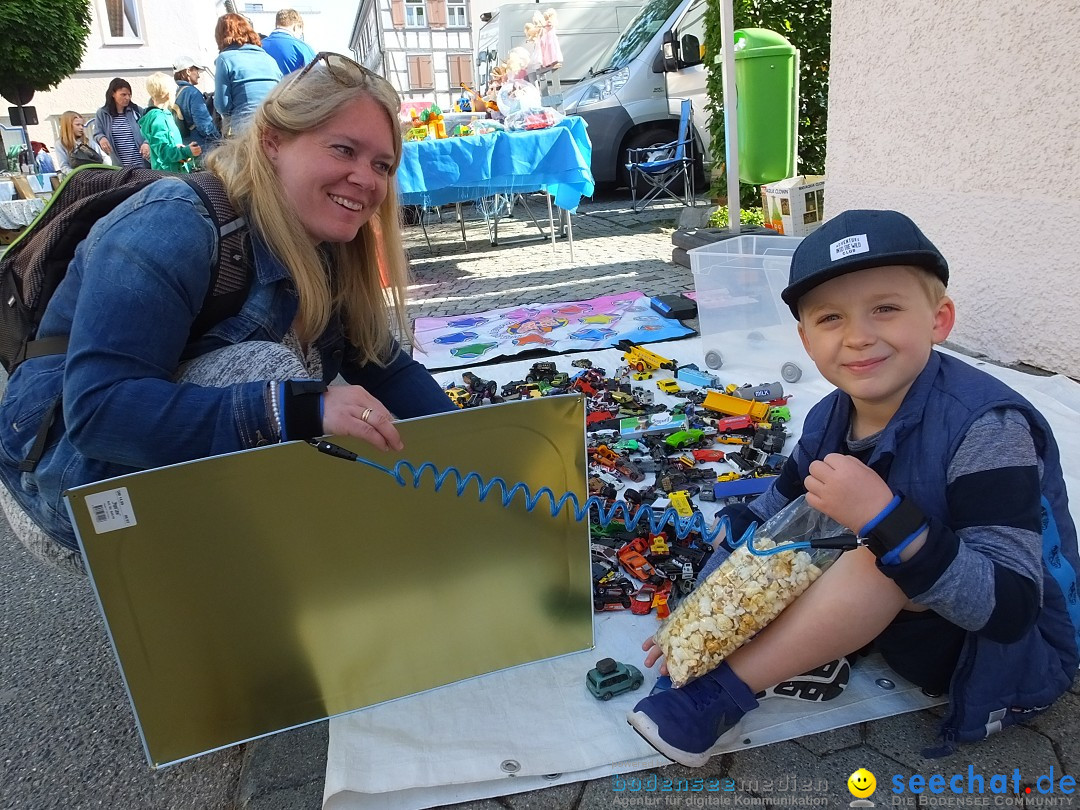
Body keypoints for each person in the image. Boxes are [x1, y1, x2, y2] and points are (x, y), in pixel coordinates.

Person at [627, 209, 1080, 767]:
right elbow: (772, 513)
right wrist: (704, 607)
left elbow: (1010, 608)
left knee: (875, 555)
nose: (859, 336)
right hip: (907, 616)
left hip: (994, 652)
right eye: (831, 318)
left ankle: (719, 697)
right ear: (805, 339)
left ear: (939, 319)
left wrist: (883, 517)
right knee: (794, 544)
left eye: (885, 309)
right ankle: (805, 642)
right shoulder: (828, 418)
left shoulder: (988, 429)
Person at [0, 53, 457, 573]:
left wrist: (481, 450)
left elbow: (386, 368)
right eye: (343, 149)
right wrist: (296, 408)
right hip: (65, 485)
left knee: (318, 400)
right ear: (272, 141)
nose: (366, 179)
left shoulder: (324, 242)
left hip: (142, 464)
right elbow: (98, 412)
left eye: (382, 165)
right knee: (276, 379)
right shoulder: (173, 223)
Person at [213, 13, 283, 136]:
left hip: (245, 128)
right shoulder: (269, 59)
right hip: (274, 124)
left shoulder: (224, 59)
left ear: (220, 36)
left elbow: (222, 106)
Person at [139, 73, 202, 173]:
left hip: (174, 174)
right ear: (168, 94)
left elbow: (170, 146)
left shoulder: (164, 114)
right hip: (170, 178)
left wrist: (182, 151)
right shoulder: (158, 118)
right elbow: (163, 152)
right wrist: (186, 151)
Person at [93, 77, 151, 168]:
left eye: (129, 95)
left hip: (142, 164)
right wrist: (101, 138)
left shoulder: (136, 111)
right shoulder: (103, 113)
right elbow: (97, 133)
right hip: (121, 167)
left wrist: (146, 143)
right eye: (123, 94)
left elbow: (150, 130)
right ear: (113, 94)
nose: (127, 98)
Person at [173, 56, 221, 161]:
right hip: (201, 147)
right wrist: (219, 140)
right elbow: (204, 125)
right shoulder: (193, 93)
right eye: (196, 70)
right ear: (188, 71)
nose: (198, 75)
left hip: (186, 146)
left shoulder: (176, 92)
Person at [261, 8, 317, 75]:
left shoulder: (259, 45)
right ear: (296, 27)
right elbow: (316, 76)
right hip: (294, 85)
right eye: (301, 32)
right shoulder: (302, 47)